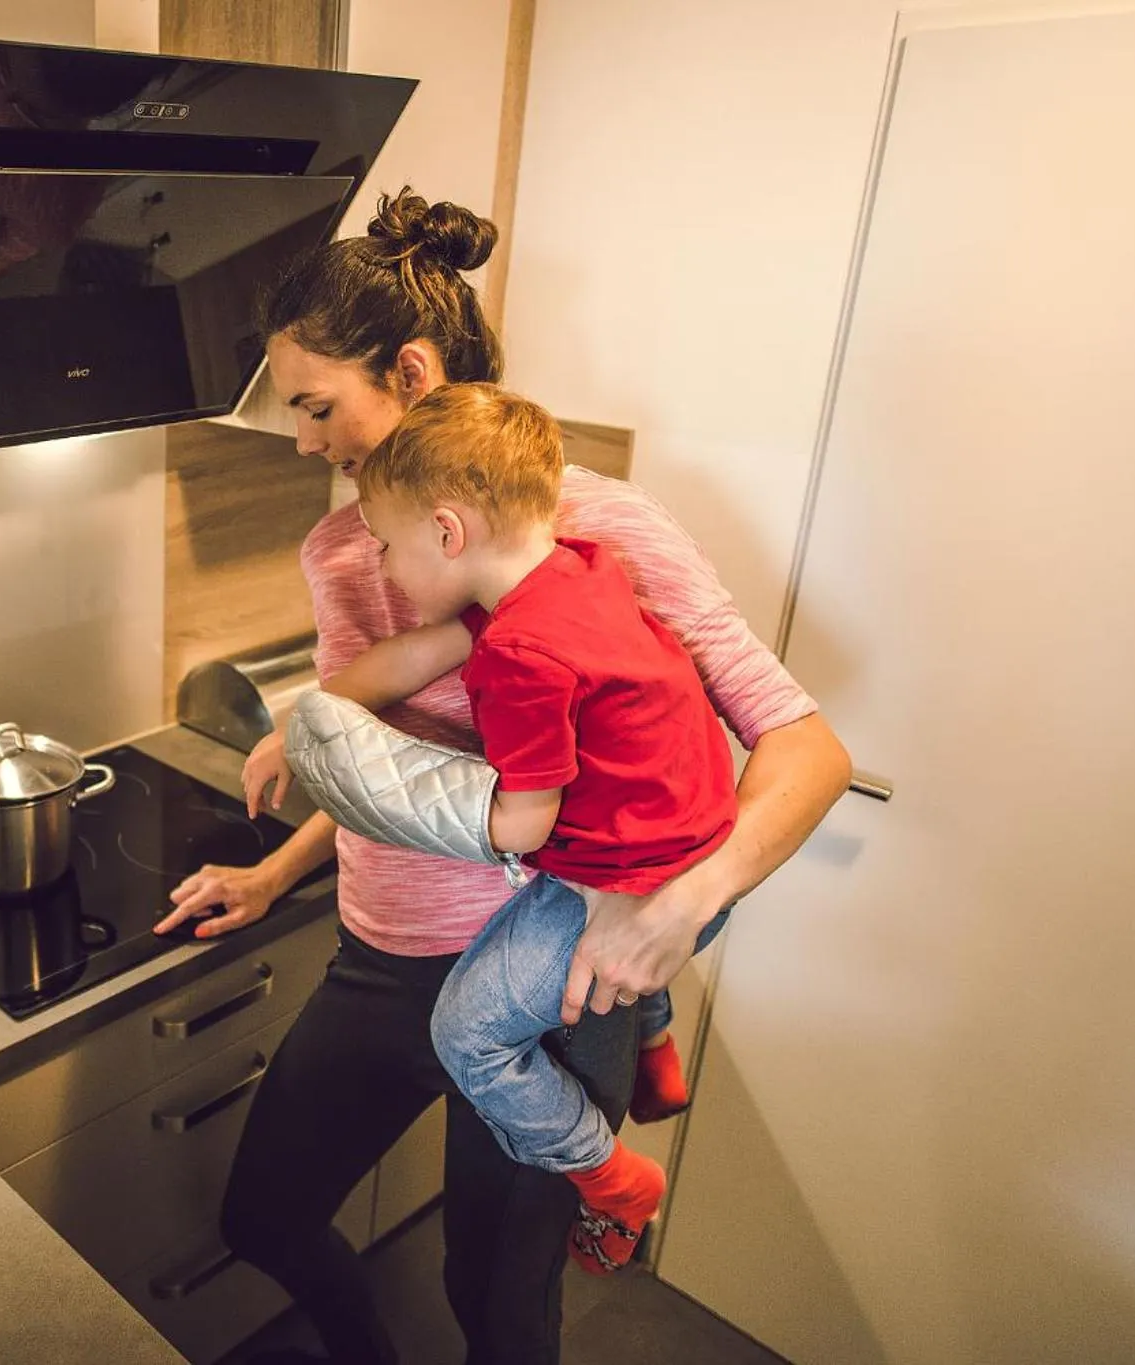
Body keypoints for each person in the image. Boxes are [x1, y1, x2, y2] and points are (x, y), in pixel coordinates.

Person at [151, 187, 851, 1364]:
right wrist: (276, 874)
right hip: (378, 958)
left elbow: (808, 751)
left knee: (495, 1299)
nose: (305, 442)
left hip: (557, 976)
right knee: (262, 1217)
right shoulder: (340, 548)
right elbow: (376, 762)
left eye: (317, 407)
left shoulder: (599, 532)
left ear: (412, 373)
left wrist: (669, 919)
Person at [243, 382, 739, 1276]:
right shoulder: (576, 566)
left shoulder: (520, 658)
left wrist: (383, 794)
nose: (384, 571)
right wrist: (297, 724)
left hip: (630, 883)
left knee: (466, 1032)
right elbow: (400, 660)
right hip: (694, 842)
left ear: (447, 532)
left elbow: (520, 821)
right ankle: (657, 1047)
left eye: (389, 547)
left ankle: (612, 1174)